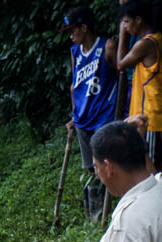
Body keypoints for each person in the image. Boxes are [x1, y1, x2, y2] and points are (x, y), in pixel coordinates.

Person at [60, 7, 118, 222]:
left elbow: (121, 76)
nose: (70, 35)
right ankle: (95, 214)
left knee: (106, 162)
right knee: (91, 169)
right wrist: (74, 114)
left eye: (72, 30)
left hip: (104, 115)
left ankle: (109, 211)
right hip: (83, 118)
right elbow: (74, 85)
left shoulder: (107, 47)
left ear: (84, 28)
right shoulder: (75, 52)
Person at [117, 1, 162, 172]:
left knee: (150, 165)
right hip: (158, 112)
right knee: (157, 164)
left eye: (126, 22)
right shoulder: (157, 38)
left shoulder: (145, 44)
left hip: (150, 115)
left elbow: (120, 64)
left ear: (139, 20)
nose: (125, 26)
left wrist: (122, 34)